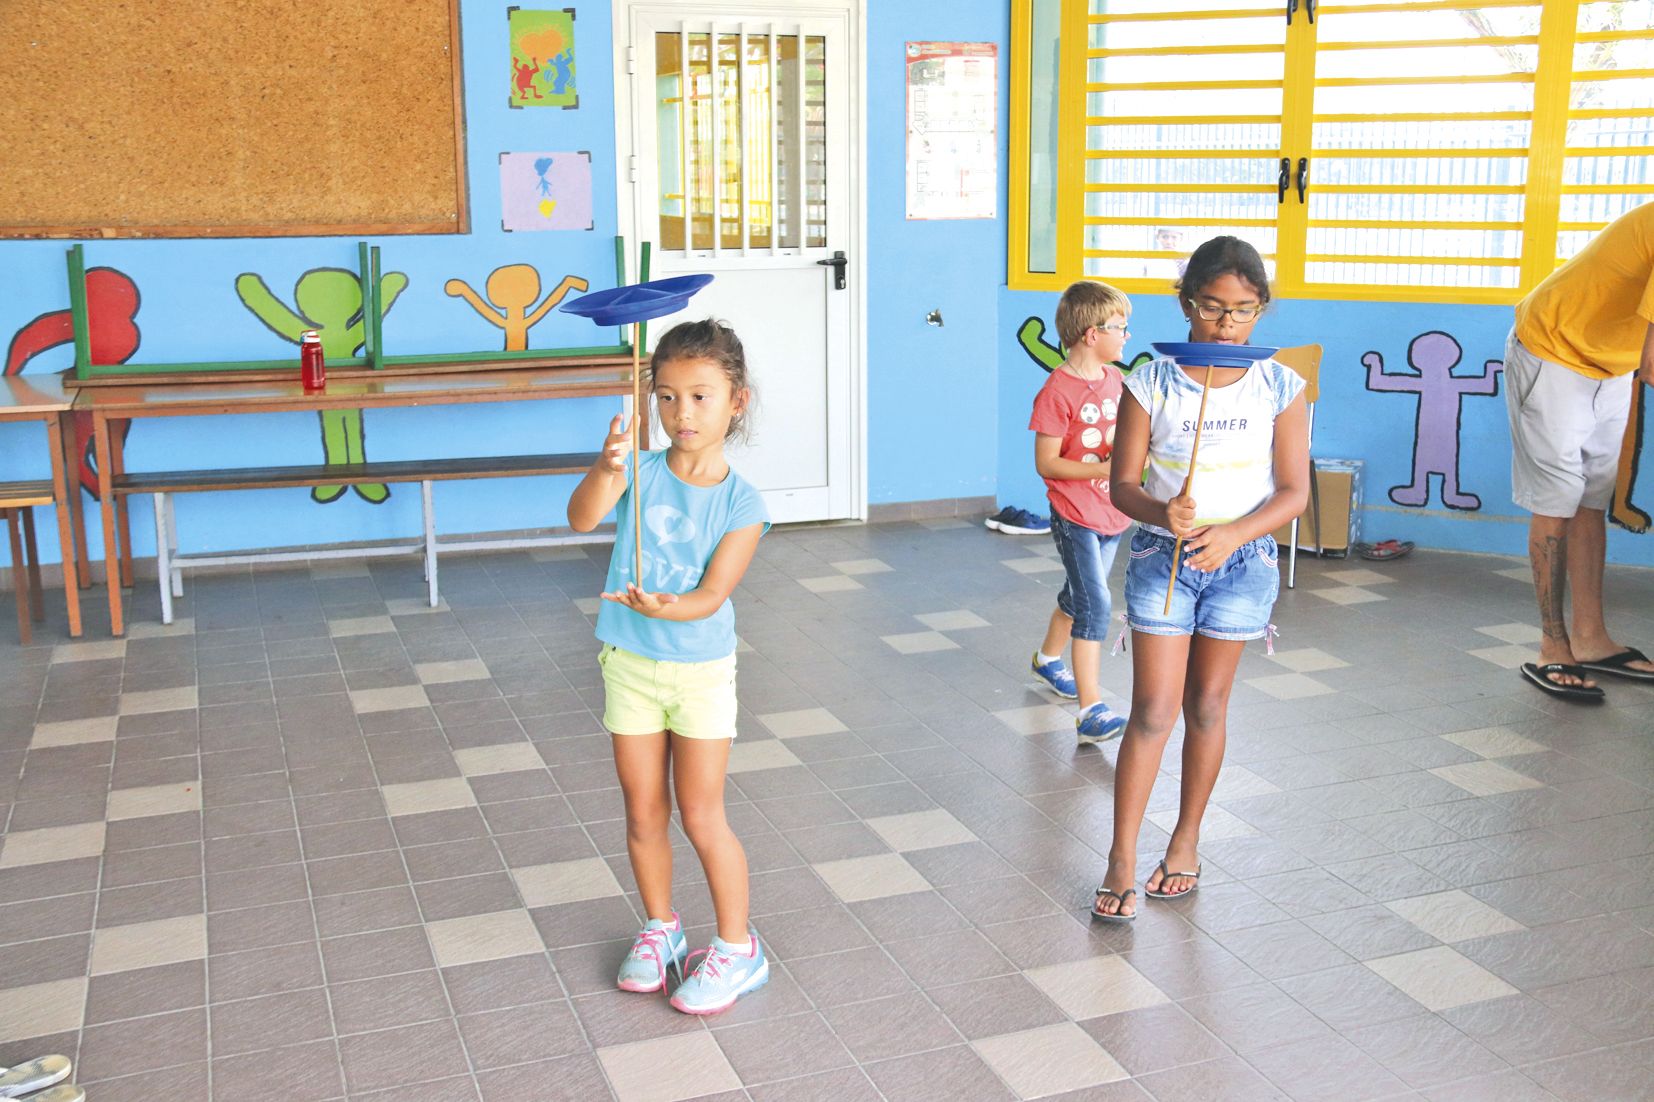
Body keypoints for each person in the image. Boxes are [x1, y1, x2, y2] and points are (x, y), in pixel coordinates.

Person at [1091, 236, 1310, 921]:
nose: (1225, 324)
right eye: (1212, 307)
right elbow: (1123, 487)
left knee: (1208, 708)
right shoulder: (1150, 380)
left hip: (1241, 564)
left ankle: (1185, 842)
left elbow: (1294, 492)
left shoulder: (1280, 385)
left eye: (1242, 311)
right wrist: (1166, 510)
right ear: (1186, 304)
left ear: (1261, 311)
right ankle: (1121, 856)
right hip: (1164, 558)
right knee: (1153, 711)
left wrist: (1235, 533)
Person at [566, 318, 771, 1013]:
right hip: (628, 663)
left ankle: (739, 950)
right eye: (667, 397)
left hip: (700, 672)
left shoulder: (743, 503)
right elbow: (582, 520)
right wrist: (606, 468)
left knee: (701, 814)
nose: (682, 414)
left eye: (701, 397)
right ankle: (661, 928)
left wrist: (666, 608)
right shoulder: (641, 472)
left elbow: (713, 596)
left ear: (736, 401)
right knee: (643, 810)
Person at [1505, 202, 1654, 701]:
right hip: (1554, 349)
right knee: (1558, 499)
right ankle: (1554, 645)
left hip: (1612, 363)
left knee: (1593, 496)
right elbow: (1653, 365)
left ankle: (1591, 639)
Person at [1027, 279, 1134, 744]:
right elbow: (1046, 462)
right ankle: (1092, 709)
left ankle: (1048, 660)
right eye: (1119, 328)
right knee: (1096, 604)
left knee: (1078, 596)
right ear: (1092, 333)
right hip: (1074, 514)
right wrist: (1111, 467)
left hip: (1112, 511)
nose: (1126, 336)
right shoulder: (1057, 391)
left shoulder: (1118, 380)